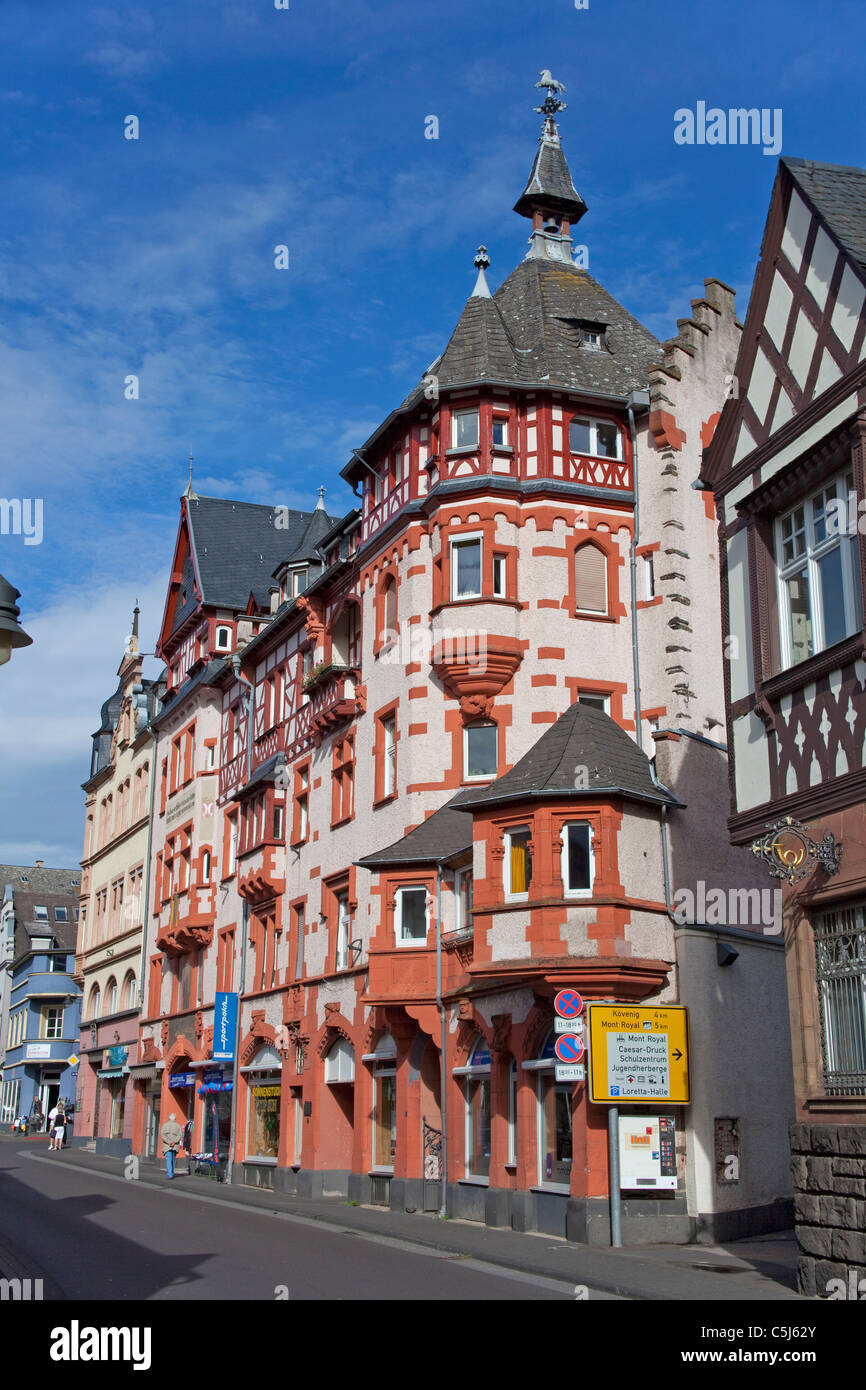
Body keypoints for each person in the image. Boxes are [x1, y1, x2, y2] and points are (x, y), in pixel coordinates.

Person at [160, 1113, 183, 1179]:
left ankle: (170, 1174)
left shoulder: (165, 1125)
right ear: (175, 1118)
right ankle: (171, 1172)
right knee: (173, 1159)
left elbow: (163, 1135)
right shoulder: (178, 1126)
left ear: (169, 1118)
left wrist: (169, 1142)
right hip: (175, 1146)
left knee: (169, 1160)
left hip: (167, 1146)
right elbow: (180, 1135)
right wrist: (174, 1142)